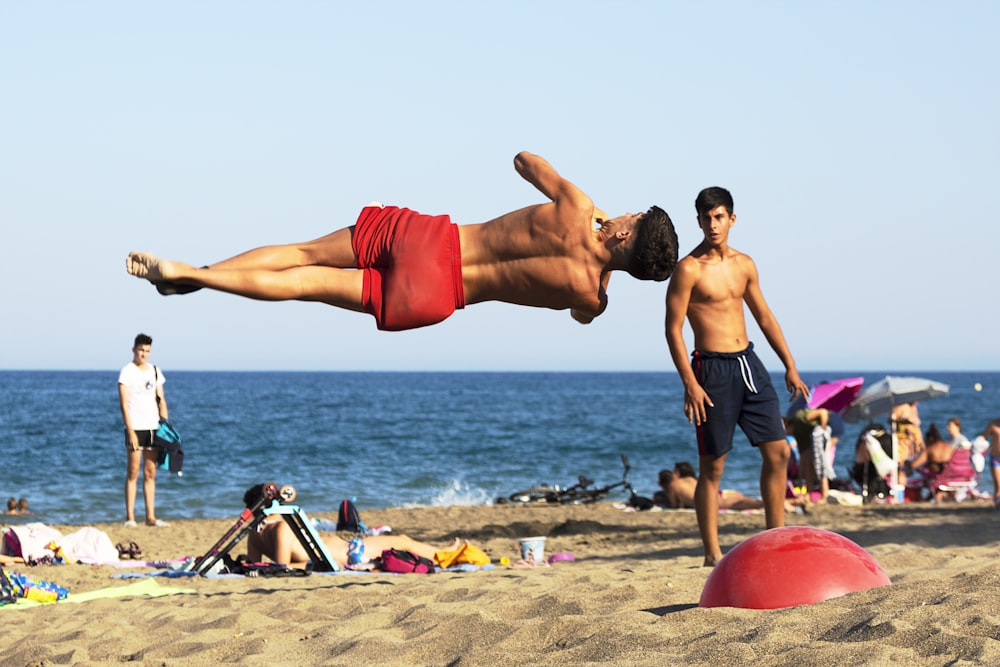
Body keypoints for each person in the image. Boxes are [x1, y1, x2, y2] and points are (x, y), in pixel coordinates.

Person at [125, 152, 679, 331]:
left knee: (300, 255)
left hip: (433, 240)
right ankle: (193, 278)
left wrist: (598, 215)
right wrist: (609, 257)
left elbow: (524, 160)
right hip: (438, 297)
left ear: (626, 232)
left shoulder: (579, 209)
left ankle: (196, 273)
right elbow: (583, 316)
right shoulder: (592, 298)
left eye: (628, 216)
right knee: (303, 288)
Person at [664, 186, 808, 566]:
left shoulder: (745, 264)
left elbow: (764, 317)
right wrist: (689, 383)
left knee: (778, 452)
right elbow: (673, 329)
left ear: (732, 219)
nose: (713, 224)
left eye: (719, 217)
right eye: (706, 218)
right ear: (698, 221)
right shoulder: (688, 269)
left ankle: (774, 536)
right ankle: (712, 553)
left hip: (749, 363)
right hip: (710, 370)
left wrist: (789, 364)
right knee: (713, 466)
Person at [240, 487, 462, 569]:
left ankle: (441, 552)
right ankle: (445, 554)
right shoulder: (281, 528)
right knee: (402, 540)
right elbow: (283, 568)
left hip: (345, 552)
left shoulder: (253, 533)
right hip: (352, 553)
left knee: (401, 541)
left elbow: (255, 565)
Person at [118, 333, 169, 527]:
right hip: (135, 426)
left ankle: (150, 516)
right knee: (133, 472)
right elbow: (123, 403)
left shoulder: (155, 371)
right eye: (141, 350)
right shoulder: (127, 371)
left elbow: (161, 399)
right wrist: (129, 430)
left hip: (154, 427)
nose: (144, 354)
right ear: (134, 349)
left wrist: (165, 426)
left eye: (147, 351)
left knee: (150, 472)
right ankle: (130, 516)